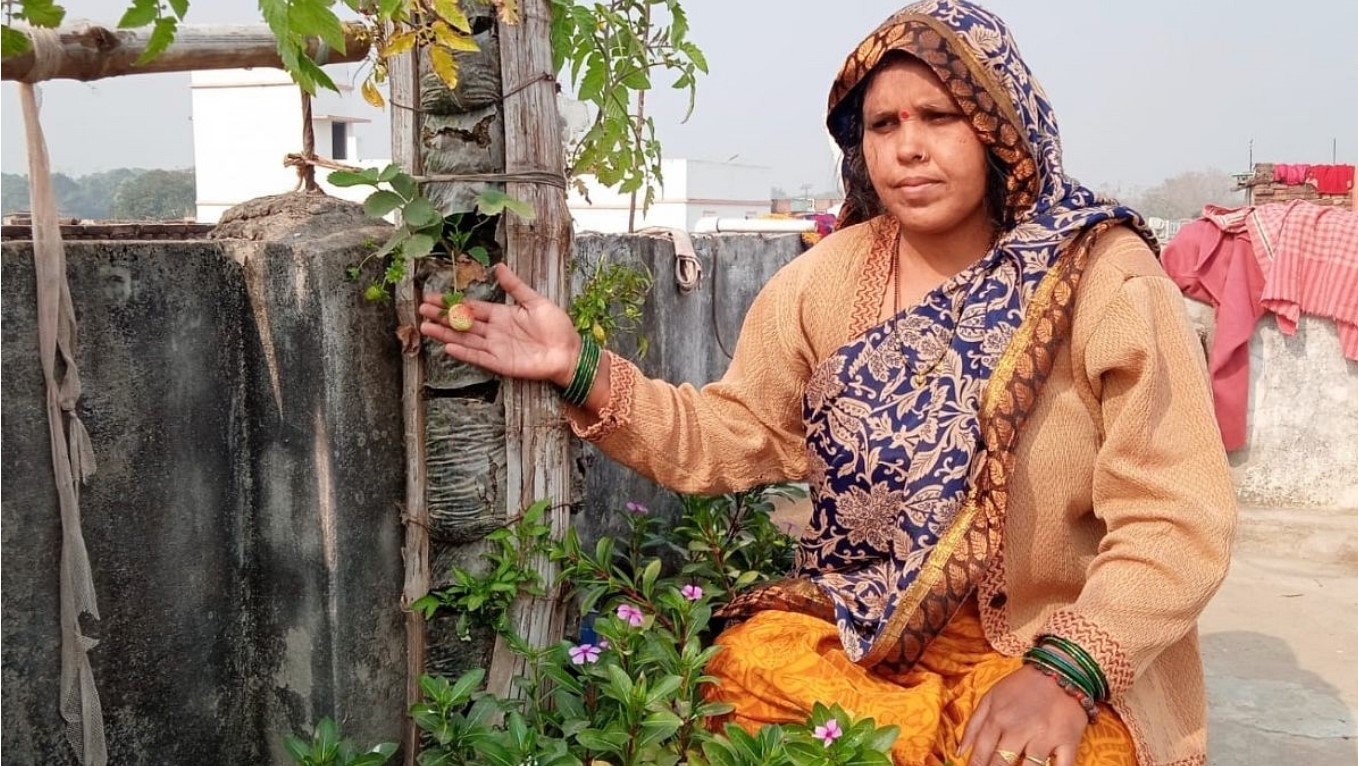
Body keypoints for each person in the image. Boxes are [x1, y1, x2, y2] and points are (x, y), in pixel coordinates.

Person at [418, 2, 1237, 765]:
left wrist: (1068, 674)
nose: (907, 147)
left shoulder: (1100, 278)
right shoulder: (826, 282)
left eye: (939, 116)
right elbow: (732, 433)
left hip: (1044, 641)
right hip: (868, 632)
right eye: (883, 124)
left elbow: (1176, 515)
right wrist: (579, 368)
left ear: (1001, 127)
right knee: (739, 676)